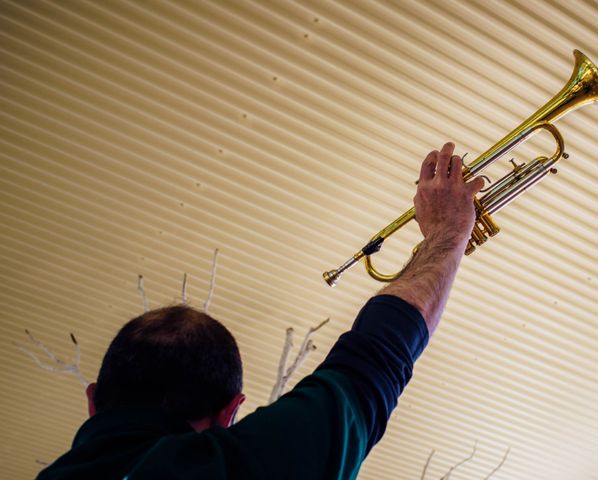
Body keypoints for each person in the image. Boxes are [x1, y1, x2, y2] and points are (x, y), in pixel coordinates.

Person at [37, 143, 484, 480]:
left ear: (94, 401)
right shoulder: (234, 468)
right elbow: (374, 360)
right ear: (230, 412)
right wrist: (448, 230)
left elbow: (374, 365)